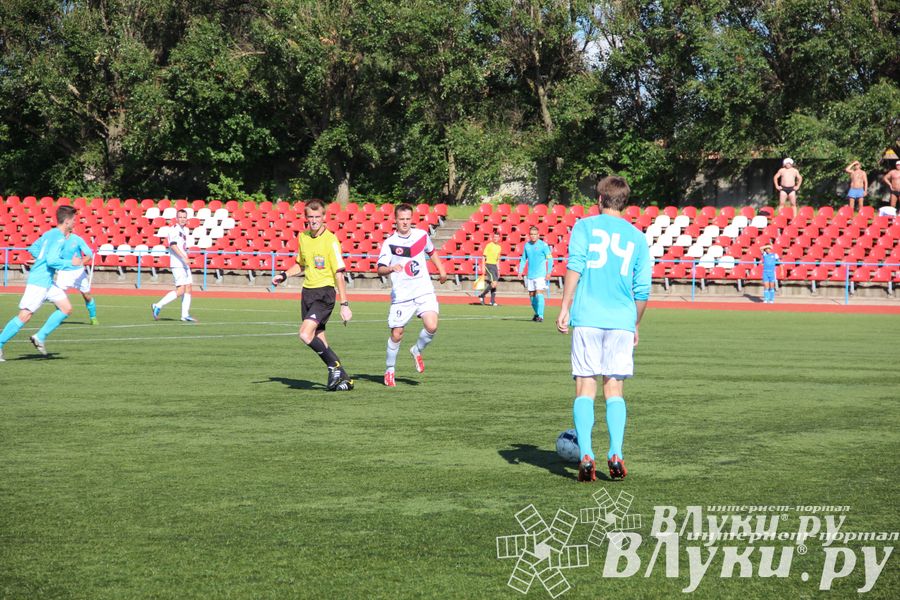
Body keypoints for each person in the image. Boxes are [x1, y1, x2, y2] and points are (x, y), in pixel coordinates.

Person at [556, 176, 651, 482]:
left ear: (599, 199)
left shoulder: (584, 227)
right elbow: (643, 289)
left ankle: (586, 454)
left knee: (585, 386)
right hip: (621, 320)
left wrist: (565, 306)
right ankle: (616, 452)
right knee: (614, 390)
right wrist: (634, 323)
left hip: (587, 317)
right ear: (625, 203)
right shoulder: (637, 237)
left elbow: (575, 266)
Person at [270, 200, 354, 392]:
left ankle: (334, 365)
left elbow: (339, 273)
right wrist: (283, 275)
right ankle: (346, 380)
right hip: (307, 293)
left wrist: (345, 304)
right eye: (311, 217)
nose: (314, 220)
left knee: (304, 334)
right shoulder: (303, 237)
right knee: (320, 338)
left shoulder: (331, 240)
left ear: (324, 217)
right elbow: (301, 264)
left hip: (324, 293)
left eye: (318, 217)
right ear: (306, 218)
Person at [376, 204, 447, 387]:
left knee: (432, 325)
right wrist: (391, 268)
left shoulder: (421, 235)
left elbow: (431, 252)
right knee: (397, 334)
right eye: (402, 219)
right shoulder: (390, 242)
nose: (405, 222)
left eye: (408, 219)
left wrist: (441, 270)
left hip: (423, 289)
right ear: (396, 220)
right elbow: (380, 268)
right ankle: (390, 369)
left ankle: (417, 350)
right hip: (402, 295)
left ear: (412, 219)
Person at [0, 205, 80, 361]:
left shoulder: (50, 233)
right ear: (68, 221)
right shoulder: (59, 238)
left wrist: (39, 260)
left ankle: (39, 336)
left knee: (66, 308)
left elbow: (34, 248)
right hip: (40, 281)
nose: (75, 222)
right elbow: (52, 260)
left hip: (48, 281)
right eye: (74, 220)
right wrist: (72, 263)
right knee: (25, 316)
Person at [151, 209, 197, 322]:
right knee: (181, 290)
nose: (182, 219)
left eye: (184, 217)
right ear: (176, 218)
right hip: (178, 263)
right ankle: (158, 305)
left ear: (187, 219)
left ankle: (185, 315)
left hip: (183, 263)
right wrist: (183, 257)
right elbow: (172, 245)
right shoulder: (174, 230)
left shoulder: (184, 230)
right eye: (180, 217)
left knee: (189, 287)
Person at [55, 232, 99, 325]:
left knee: (87, 295)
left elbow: (89, 254)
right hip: (63, 272)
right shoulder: (57, 239)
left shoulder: (77, 239)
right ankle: (60, 316)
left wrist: (81, 262)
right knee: (57, 296)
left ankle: (93, 317)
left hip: (78, 272)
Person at [517, 226, 552, 322]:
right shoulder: (527, 245)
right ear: (529, 235)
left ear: (538, 235)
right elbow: (524, 259)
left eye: (535, 234)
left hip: (540, 274)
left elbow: (550, 259)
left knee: (539, 292)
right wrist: (520, 271)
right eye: (531, 234)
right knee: (532, 295)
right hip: (530, 275)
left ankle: (541, 315)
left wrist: (548, 272)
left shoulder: (544, 245)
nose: (533, 236)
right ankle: (537, 313)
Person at [477, 231, 502, 306]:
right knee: (493, 283)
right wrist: (482, 267)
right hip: (488, 265)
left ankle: (492, 301)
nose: (495, 238)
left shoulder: (499, 247)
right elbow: (484, 257)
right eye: (494, 237)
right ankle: (482, 295)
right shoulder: (489, 245)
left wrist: (498, 269)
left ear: (499, 238)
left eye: (497, 237)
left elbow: (498, 259)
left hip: (494, 266)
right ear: (492, 237)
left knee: (494, 284)